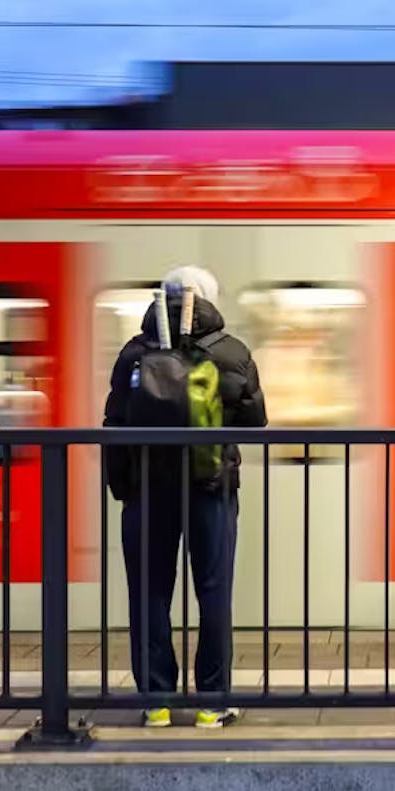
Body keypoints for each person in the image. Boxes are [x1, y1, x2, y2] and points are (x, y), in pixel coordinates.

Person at [104, 265, 266, 729]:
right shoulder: (232, 352)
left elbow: (114, 422)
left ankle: (156, 702)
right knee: (213, 591)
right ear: (210, 300)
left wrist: (124, 488)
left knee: (149, 593)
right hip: (210, 488)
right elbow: (255, 423)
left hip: (147, 492)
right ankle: (212, 704)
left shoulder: (133, 354)